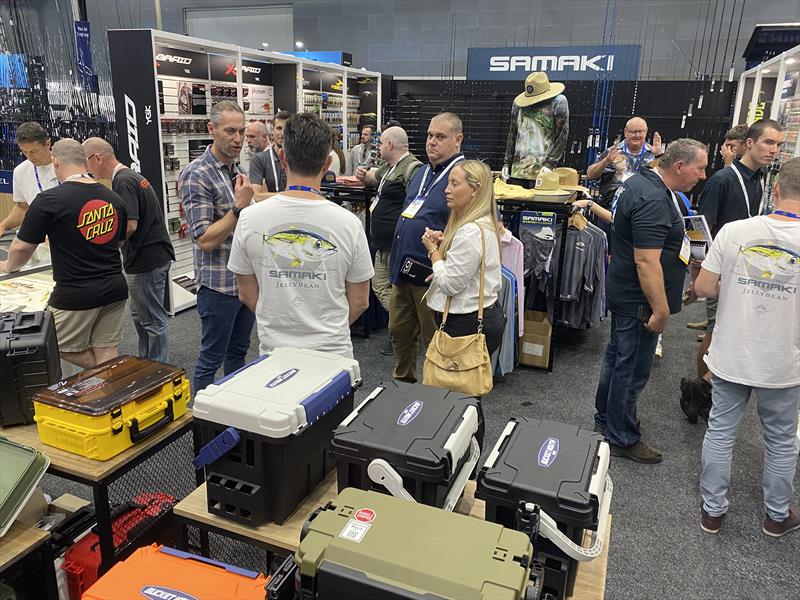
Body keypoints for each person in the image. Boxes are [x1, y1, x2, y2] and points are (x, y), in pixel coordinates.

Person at [695, 157, 800, 537]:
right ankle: (776, 516)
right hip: (784, 360)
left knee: (721, 431)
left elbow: (703, 288)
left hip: (732, 352)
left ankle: (712, 513)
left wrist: (738, 286)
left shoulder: (735, 231)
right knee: (781, 440)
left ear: (776, 190)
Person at [593, 138, 708, 463]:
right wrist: (660, 309)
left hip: (628, 294)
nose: (703, 175)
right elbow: (646, 261)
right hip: (639, 301)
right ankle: (621, 436)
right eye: (700, 168)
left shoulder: (644, 182)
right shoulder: (653, 198)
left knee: (617, 360)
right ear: (679, 166)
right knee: (631, 368)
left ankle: (608, 419)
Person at [228, 113, 373, 358]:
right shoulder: (350, 224)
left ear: (282, 158)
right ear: (327, 163)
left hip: (274, 355)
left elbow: (247, 294)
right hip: (333, 356)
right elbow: (360, 302)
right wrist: (328, 331)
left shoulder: (248, 218)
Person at [681, 119, 785, 422]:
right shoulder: (723, 180)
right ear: (749, 143)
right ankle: (701, 393)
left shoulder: (760, 179)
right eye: (768, 142)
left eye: (778, 145)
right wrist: (698, 279)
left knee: (729, 331)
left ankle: (704, 391)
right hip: (720, 271)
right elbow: (699, 231)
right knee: (715, 331)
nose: (774, 150)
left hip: (748, 271)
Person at [0, 139, 129, 368]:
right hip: (115, 287)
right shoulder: (113, 198)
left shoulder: (49, 200)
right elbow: (117, 241)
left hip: (75, 292)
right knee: (106, 349)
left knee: (53, 343)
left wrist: (9, 267)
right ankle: (110, 384)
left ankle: (104, 375)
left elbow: (21, 247)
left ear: (56, 162)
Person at [179, 100, 255, 392]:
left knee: (238, 353)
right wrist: (238, 207)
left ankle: (233, 409)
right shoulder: (196, 174)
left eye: (242, 132)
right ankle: (202, 416)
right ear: (211, 129)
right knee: (211, 359)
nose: (238, 139)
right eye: (230, 131)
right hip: (218, 286)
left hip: (244, 283)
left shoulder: (236, 169)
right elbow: (205, 240)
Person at [83, 137, 176, 364]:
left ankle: (158, 370)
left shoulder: (123, 181)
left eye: (86, 162)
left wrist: (105, 247)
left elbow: (130, 225)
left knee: (152, 320)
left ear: (97, 158)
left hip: (146, 260)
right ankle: (147, 363)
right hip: (148, 257)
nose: (86, 169)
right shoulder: (129, 177)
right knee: (140, 315)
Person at [388, 112, 465, 382]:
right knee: (399, 332)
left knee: (436, 342)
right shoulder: (420, 172)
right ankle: (402, 386)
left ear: (457, 140)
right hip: (402, 272)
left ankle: (438, 395)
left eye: (440, 137)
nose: (431, 141)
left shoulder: (464, 177)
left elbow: (476, 225)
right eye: (430, 135)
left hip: (432, 278)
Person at [421, 160, 505, 356]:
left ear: (475, 189)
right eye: (448, 183)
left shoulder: (470, 232)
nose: (447, 190)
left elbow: (449, 285)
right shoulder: (483, 223)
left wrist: (433, 251)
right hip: (477, 318)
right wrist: (446, 247)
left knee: (453, 376)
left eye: (454, 184)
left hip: (466, 324)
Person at [355, 126, 422, 356]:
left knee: (397, 290)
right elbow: (373, 179)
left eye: (381, 143)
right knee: (380, 285)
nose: (379, 147)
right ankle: (404, 327)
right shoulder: (389, 167)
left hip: (398, 243)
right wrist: (364, 177)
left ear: (390, 145)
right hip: (383, 243)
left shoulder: (412, 168)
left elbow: (416, 203)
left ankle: (401, 332)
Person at [586, 117, 663, 211]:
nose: (637, 135)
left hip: (643, 209)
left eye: (640, 132)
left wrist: (658, 156)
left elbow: (663, 180)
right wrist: (606, 161)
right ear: (625, 132)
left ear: (646, 132)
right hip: (611, 208)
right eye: (633, 132)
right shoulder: (613, 152)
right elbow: (590, 175)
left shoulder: (653, 154)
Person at [0, 122, 59, 237]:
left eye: (34, 151)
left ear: (47, 144)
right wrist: (3, 225)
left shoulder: (66, 164)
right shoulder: (20, 171)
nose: (30, 157)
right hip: (41, 235)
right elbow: (22, 208)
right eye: (25, 152)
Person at [250, 111, 290, 198]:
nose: (282, 133)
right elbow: (257, 196)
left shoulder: (299, 158)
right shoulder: (260, 159)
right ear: (273, 130)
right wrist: (289, 196)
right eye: (279, 128)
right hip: (275, 206)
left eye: (286, 129)